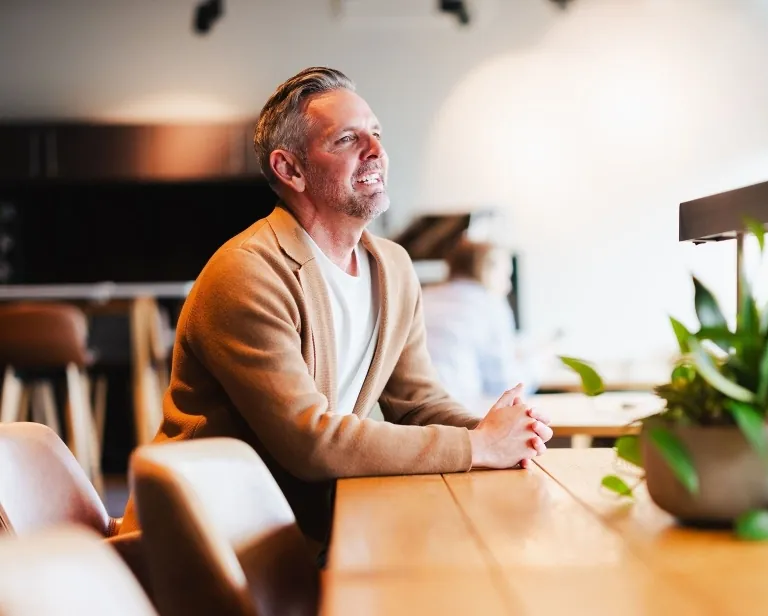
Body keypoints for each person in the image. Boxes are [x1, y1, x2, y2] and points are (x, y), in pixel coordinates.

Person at [118, 67, 553, 549]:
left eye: (376, 133)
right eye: (347, 139)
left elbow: (418, 403)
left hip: (305, 533)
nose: (376, 152)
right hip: (206, 543)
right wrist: (477, 446)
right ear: (291, 169)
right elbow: (310, 442)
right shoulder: (247, 273)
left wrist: (501, 434)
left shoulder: (392, 267)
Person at [421, 239, 552, 410]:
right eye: (506, 275)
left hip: (412, 415)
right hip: (459, 413)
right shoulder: (489, 304)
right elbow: (504, 386)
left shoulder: (424, 296)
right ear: (488, 269)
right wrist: (538, 363)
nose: (509, 285)